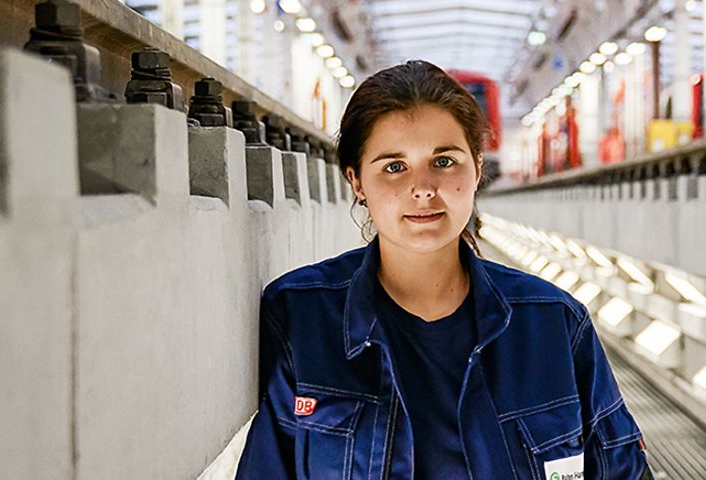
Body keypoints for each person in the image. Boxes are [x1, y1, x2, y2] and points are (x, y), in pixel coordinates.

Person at [236, 60, 651, 480]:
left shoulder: (554, 323)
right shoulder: (300, 316)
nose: (423, 188)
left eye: (445, 161)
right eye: (394, 167)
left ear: (477, 168)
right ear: (357, 182)